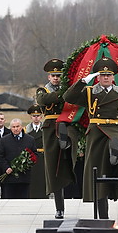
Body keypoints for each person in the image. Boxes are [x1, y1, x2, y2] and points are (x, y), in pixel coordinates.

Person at [63, 57, 118, 219]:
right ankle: (103, 215)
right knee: (97, 174)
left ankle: (116, 155)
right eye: (102, 75)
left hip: (116, 130)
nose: (105, 78)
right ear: (97, 77)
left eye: (108, 75)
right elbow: (68, 97)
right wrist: (83, 81)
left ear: (113, 77)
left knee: (116, 144)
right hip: (96, 132)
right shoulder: (89, 93)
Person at [36, 59, 76, 219]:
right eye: (53, 75)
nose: (56, 78)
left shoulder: (68, 89)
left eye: (59, 75)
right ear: (48, 77)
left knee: (69, 163)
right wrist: (63, 94)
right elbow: (43, 101)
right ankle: (59, 207)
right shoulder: (42, 90)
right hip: (51, 129)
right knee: (54, 168)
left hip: (67, 125)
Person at [0, 118, 37, 199]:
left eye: (17, 126)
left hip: (24, 177)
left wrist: (27, 164)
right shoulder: (4, 140)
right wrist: (6, 167)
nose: (16, 129)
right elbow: (0, 156)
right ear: (10, 128)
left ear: (21, 127)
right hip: (10, 178)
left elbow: (35, 155)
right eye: (13, 127)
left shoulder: (30, 139)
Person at [25, 104, 48, 199]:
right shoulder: (26, 130)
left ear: (41, 117)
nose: (36, 118)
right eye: (34, 116)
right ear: (31, 117)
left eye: (38, 116)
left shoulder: (46, 129)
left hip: (43, 156)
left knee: (42, 179)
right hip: (32, 157)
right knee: (33, 179)